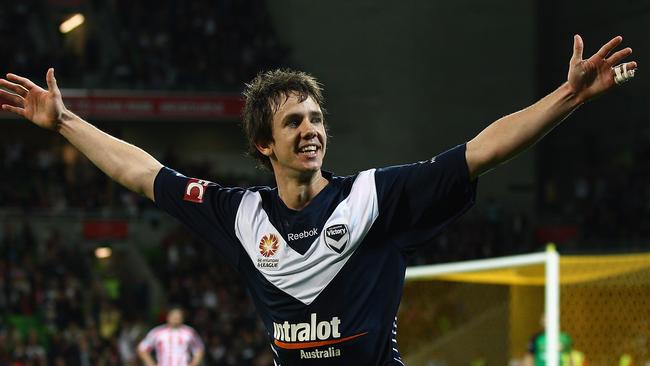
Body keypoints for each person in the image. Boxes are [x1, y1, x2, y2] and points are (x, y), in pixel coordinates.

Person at [0, 35, 637, 365]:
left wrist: (568, 97)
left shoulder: (376, 197)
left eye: (316, 117)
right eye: (293, 122)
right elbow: (144, 173)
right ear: (263, 145)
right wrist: (65, 125)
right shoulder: (237, 214)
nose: (311, 129)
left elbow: (481, 152)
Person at [137, 307, 204, 366]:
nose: (175, 319)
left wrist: (194, 364)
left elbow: (199, 348)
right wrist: (151, 364)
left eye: (178, 317)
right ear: (168, 317)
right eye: (173, 316)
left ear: (182, 318)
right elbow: (142, 349)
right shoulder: (157, 332)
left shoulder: (189, 332)